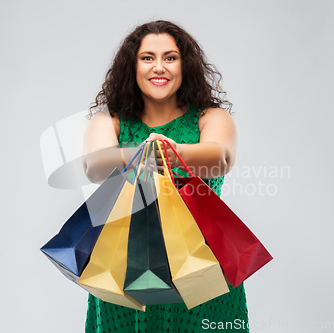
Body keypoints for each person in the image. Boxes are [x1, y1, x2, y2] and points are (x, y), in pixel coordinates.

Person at [82, 20, 249, 333]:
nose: (159, 67)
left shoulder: (209, 117)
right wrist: (139, 153)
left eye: (170, 58)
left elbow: (222, 158)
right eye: (147, 58)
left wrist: (175, 153)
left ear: (185, 66)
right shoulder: (111, 121)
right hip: (124, 275)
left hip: (201, 271)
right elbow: (93, 166)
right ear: (132, 66)